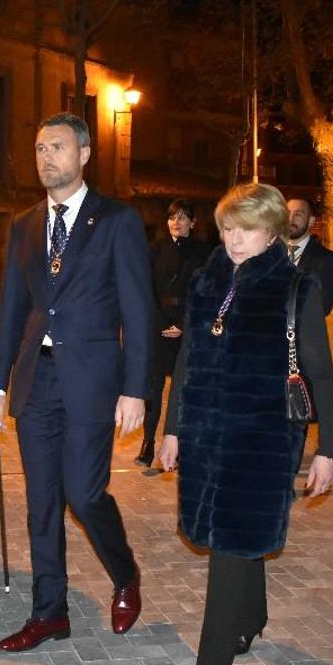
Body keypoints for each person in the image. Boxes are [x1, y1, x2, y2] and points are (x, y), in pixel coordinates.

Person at [155, 182, 333, 665]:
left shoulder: (295, 288)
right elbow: (188, 358)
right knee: (230, 538)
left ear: (274, 230)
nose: (236, 240)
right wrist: (173, 429)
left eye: (249, 230)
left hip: (263, 440)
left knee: (231, 544)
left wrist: (329, 448)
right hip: (208, 432)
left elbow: (321, 374)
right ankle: (252, 617)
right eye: (229, 228)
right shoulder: (208, 279)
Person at [0, 112, 154, 652]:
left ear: (83, 154)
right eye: (38, 148)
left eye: (56, 146)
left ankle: (124, 574)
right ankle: (49, 613)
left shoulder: (117, 221)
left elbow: (139, 309)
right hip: (37, 379)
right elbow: (11, 309)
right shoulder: (24, 224)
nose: (45, 157)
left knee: (83, 493)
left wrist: (137, 388)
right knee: (41, 503)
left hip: (93, 380)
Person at [135, 199, 210, 469]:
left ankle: (179, 443)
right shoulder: (154, 250)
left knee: (185, 389)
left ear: (193, 222)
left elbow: (204, 293)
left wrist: (184, 323)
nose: (176, 222)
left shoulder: (204, 253)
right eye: (171, 217)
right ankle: (148, 442)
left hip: (188, 328)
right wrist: (158, 323)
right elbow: (146, 290)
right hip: (158, 326)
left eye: (182, 216)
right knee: (152, 389)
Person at [284, 198, 333, 315]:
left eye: (298, 214)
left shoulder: (327, 259)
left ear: (311, 221)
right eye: (287, 213)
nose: (290, 219)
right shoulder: (269, 253)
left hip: (302, 331)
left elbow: (323, 306)